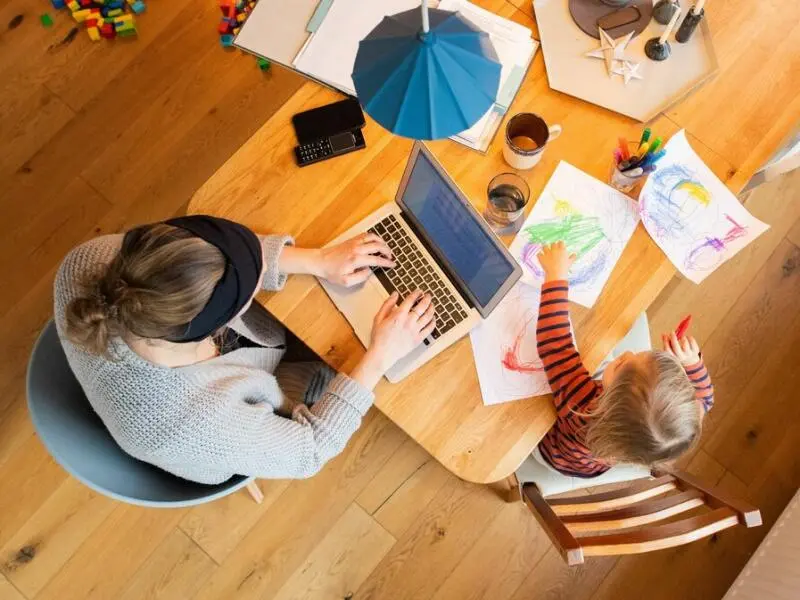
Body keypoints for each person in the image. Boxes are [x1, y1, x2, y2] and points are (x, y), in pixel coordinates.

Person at [55, 215, 436, 484]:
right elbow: (311, 450)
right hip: (240, 424)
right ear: (216, 329)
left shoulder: (98, 262)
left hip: (229, 382)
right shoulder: (195, 423)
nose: (258, 282)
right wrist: (381, 355)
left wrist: (317, 259)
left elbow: (207, 258)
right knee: (341, 370)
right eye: (250, 288)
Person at [533, 241, 714, 477]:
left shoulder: (581, 403)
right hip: (596, 461)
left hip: (553, 453)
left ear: (606, 399)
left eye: (619, 364)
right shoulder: (679, 430)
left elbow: (555, 343)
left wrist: (555, 276)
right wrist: (691, 363)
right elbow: (705, 399)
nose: (626, 353)